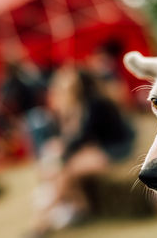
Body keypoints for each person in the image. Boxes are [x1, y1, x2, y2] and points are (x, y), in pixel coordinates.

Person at [29, 66, 134, 236]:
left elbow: (82, 137)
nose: (62, 85)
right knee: (60, 168)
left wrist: (63, 147)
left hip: (116, 150)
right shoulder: (81, 106)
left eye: (67, 81)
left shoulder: (96, 104)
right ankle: (79, 208)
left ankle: (41, 222)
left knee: (68, 171)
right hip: (101, 149)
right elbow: (76, 139)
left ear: (79, 83)